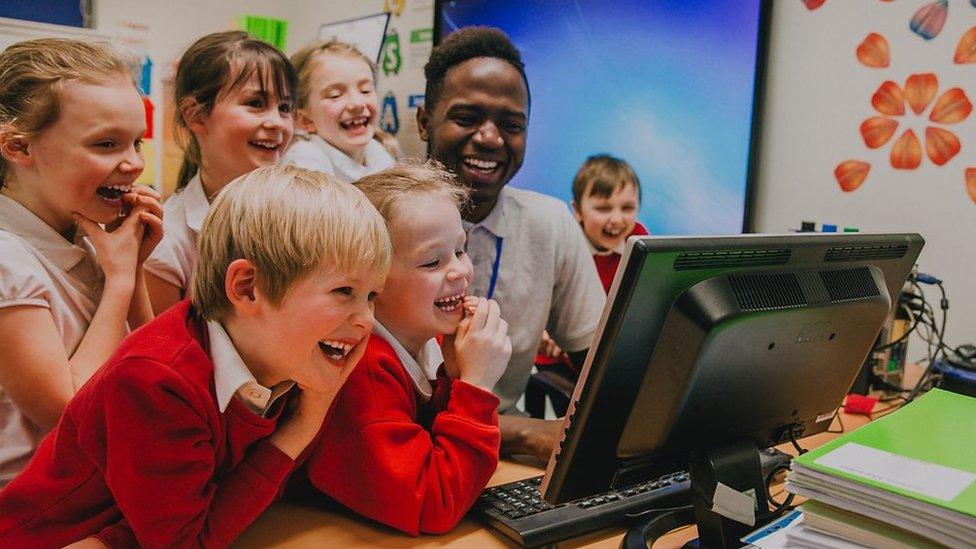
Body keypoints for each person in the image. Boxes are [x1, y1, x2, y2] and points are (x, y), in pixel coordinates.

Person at [0, 165, 391, 547]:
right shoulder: (156, 381)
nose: (366, 320)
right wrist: (304, 425)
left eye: (371, 296)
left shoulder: (288, 358)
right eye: (344, 292)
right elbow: (186, 541)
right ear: (247, 287)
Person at [416, 27, 605, 463]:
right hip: (404, 449)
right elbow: (363, 412)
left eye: (511, 125)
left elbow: (602, 366)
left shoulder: (550, 222)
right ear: (425, 121)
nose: (490, 138)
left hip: (496, 454)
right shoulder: (372, 218)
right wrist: (521, 433)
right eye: (467, 118)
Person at [307, 161, 510, 535]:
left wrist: (454, 376)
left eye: (460, 250)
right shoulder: (363, 370)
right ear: (371, 282)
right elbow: (433, 506)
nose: (461, 272)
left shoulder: (419, 343)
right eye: (433, 261)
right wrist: (477, 384)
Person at [0, 38, 163, 486]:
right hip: (28, 506)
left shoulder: (85, 228)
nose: (133, 164)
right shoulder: (7, 258)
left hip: (89, 482)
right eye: (106, 144)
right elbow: (70, 411)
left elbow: (148, 368)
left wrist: (131, 270)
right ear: (19, 147)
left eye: (137, 142)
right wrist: (118, 284)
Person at [144, 31, 296, 314]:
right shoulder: (169, 243)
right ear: (196, 116)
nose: (277, 122)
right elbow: (161, 352)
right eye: (255, 103)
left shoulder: (302, 212)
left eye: (285, 107)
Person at [284, 39, 394, 182]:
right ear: (304, 120)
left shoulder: (376, 151)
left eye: (365, 91)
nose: (357, 103)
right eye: (335, 95)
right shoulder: (304, 162)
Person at [571, 154, 649, 293]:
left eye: (627, 208)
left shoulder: (638, 238)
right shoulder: (567, 246)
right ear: (578, 211)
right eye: (603, 208)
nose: (617, 220)